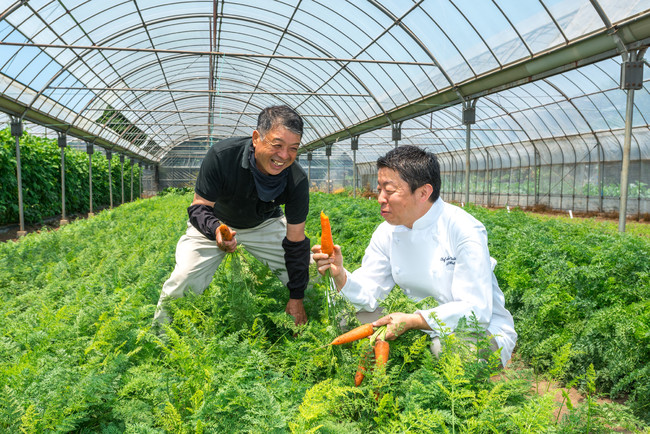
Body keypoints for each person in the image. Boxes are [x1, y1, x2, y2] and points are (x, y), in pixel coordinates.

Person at [312, 145, 517, 367]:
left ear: (423, 193)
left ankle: (470, 396)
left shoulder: (464, 230)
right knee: (348, 323)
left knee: (449, 351)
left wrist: (414, 320)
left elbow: (476, 310)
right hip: (411, 320)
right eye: (379, 188)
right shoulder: (387, 231)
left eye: (389, 190)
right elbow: (370, 292)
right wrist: (340, 275)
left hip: (474, 330)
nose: (380, 198)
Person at [154, 105, 311, 326]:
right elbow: (199, 207)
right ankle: (160, 338)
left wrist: (297, 297)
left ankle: (318, 329)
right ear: (256, 138)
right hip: (216, 224)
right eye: (277, 145)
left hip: (264, 225)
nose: (284, 156)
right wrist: (216, 229)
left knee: (311, 275)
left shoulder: (296, 180)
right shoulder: (222, 156)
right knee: (183, 279)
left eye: (293, 148)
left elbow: (296, 241)